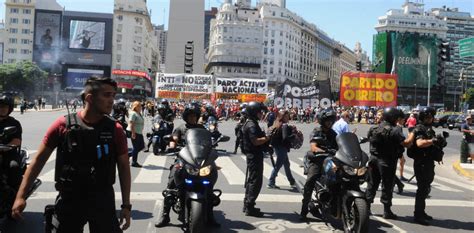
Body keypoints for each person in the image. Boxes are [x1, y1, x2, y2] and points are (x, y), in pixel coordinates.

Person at [11, 77, 131, 232]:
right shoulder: (62, 125)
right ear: (90, 98)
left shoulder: (115, 129)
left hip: (102, 199)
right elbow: (38, 161)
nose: (112, 101)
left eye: (113, 95)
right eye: (106, 95)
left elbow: (124, 167)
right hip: (70, 200)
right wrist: (20, 196)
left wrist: (126, 205)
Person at [155, 103, 220, 227]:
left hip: (199, 160)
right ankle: (165, 216)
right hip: (183, 159)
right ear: (186, 117)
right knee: (171, 185)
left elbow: (209, 141)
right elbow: (174, 138)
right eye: (190, 116)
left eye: (194, 116)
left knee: (209, 184)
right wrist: (172, 145)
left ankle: (210, 216)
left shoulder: (202, 128)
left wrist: (213, 144)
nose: (192, 118)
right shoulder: (181, 128)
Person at [365, 107, 413, 219]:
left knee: (372, 184)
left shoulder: (374, 128)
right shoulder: (394, 130)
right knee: (387, 185)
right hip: (387, 161)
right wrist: (412, 134)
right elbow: (405, 143)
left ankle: (366, 207)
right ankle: (387, 211)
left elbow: (369, 139)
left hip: (373, 159)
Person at [407, 107, 445, 225]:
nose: (431, 119)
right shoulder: (420, 128)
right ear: (423, 118)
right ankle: (418, 215)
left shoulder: (429, 128)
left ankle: (421, 212)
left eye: (432, 117)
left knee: (425, 189)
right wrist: (433, 141)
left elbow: (431, 145)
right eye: (429, 117)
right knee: (422, 189)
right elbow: (419, 143)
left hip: (428, 162)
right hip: (421, 163)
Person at [300, 108, 337, 220]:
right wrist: (322, 151)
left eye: (331, 120)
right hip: (318, 160)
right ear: (322, 121)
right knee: (310, 182)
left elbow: (341, 145)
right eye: (327, 120)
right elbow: (313, 146)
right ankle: (304, 209)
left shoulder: (333, 133)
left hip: (331, 161)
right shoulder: (317, 131)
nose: (329, 122)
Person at [241, 102, 270, 217]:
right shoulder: (252, 125)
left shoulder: (250, 122)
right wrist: (267, 138)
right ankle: (249, 206)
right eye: (259, 112)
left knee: (251, 180)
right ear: (254, 112)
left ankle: (247, 203)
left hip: (253, 155)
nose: (261, 114)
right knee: (255, 181)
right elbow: (255, 141)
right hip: (254, 155)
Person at [267, 110, 296, 189]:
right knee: (278, 165)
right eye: (286, 116)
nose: (288, 118)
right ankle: (271, 182)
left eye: (288, 116)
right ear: (282, 117)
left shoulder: (276, 123)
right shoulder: (284, 125)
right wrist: (293, 136)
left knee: (286, 164)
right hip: (282, 147)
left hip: (277, 146)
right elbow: (285, 138)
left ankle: (292, 181)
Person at [0, 95, 23, 192]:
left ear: (9, 109)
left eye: (5, 107)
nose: (3, 109)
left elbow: (17, 140)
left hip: (9, 153)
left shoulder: (14, 123)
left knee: (14, 167)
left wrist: (5, 147)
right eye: (0, 107)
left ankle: (15, 193)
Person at [127, 101, 145, 168]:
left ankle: (128, 155)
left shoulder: (138, 113)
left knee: (141, 146)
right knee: (136, 147)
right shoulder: (133, 113)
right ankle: (134, 162)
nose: (141, 107)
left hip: (139, 132)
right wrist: (133, 133)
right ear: (135, 107)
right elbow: (131, 123)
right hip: (135, 132)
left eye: (140, 106)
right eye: (139, 106)